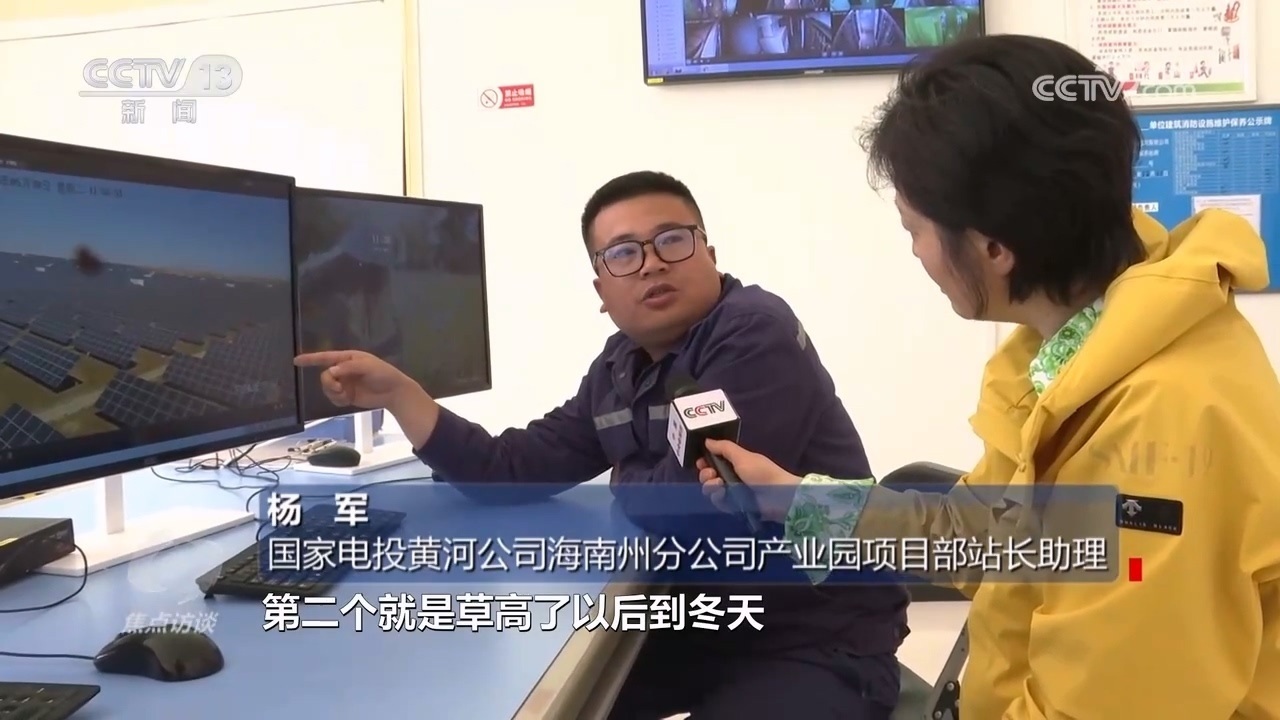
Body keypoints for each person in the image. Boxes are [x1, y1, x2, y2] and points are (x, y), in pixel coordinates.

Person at [695, 34, 1280, 719]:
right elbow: (990, 538)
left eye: (913, 229)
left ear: (993, 247)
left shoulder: (1164, 423)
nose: (916, 253)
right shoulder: (1075, 347)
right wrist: (798, 502)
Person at [295, 171, 909, 719]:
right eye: (623, 253)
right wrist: (402, 395)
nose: (650, 264)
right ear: (600, 288)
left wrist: (622, 479)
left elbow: (695, 511)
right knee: (503, 686)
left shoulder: (753, 332)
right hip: (703, 624)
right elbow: (512, 468)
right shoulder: (619, 367)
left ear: (710, 254)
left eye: (672, 240)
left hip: (815, 639)